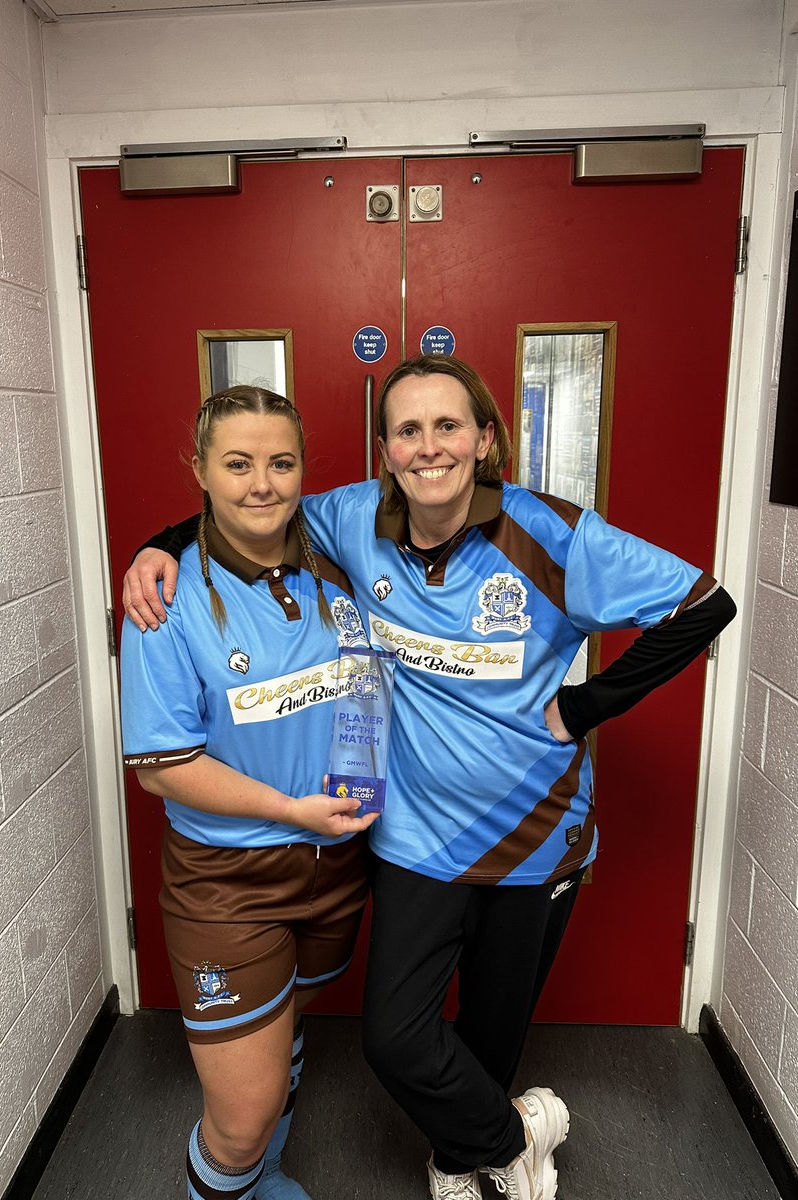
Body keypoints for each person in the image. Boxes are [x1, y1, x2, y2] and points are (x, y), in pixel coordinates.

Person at [123, 356, 736, 1200]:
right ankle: (519, 1135)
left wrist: (582, 707)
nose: (428, 447)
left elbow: (703, 606)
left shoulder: (547, 532)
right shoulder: (350, 520)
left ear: (485, 437)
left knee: (488, 1035)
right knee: (399, 1039)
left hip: (534, 834)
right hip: (413, 833)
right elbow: (247, 511)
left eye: (448, 425)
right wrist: (157, 548)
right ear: (383, 450)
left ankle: (457, 1161)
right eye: (407, 430)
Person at [119, 386, 378, 1200]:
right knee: (240, 1116)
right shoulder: (164, 601)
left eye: (281, 462)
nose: (262, 482)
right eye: (237, 464)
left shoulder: (342, 557)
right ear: (197, 469)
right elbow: (162, 767)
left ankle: (262, 1173)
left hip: (337, 863)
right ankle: (238, 1167)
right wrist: (288, 812)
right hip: (229, 882)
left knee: (289, 1024)